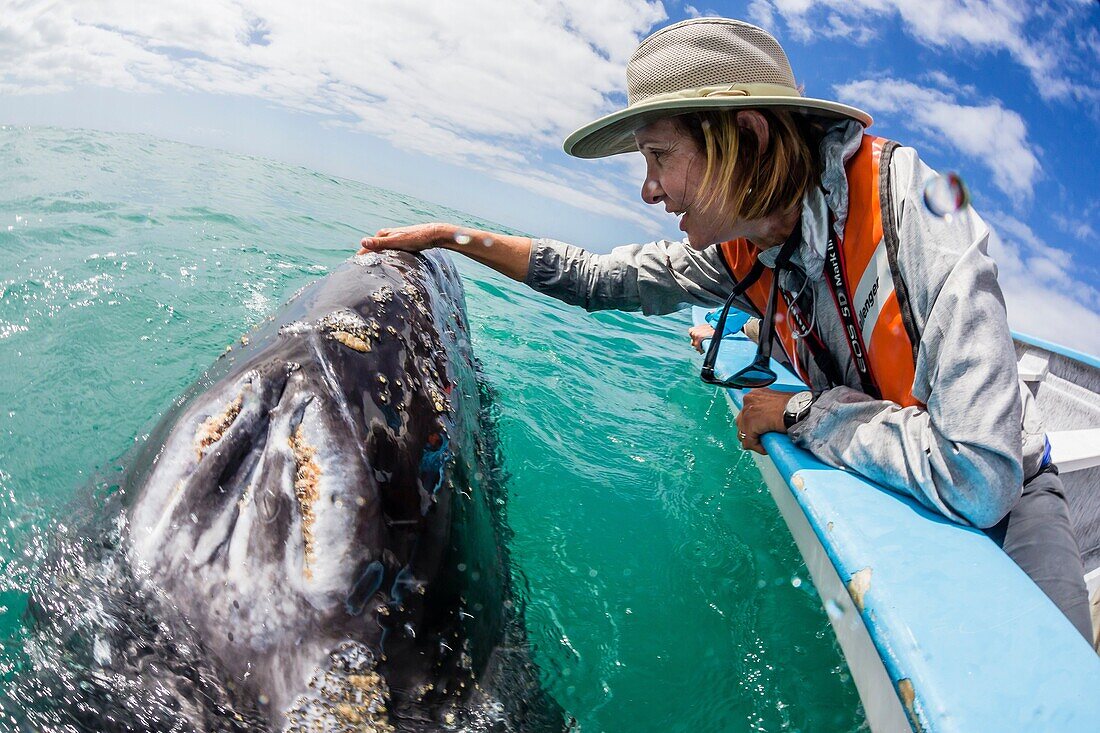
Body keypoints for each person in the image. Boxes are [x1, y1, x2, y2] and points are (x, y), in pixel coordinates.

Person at [357, 18, 1091, 640]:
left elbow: (981, 475)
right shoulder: (734, 251)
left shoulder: (923, 211)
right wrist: (458, 240)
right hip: (899, 461)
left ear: (748, 132)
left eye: (659, 157)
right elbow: (598, 277)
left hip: (1013, 499)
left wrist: (803, 412)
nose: (649, 189)